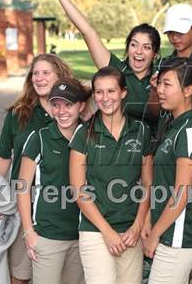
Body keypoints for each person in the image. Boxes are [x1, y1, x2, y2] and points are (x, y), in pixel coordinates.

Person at [0, 54, 75, 284]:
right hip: (23, 204)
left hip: (61, 207)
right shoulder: (18, 114)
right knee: (20, 274)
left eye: (46, 73)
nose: (39, 78)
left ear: (60, 75)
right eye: (35, 73)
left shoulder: (74, 114)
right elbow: (2, 158)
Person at [28, 0, 161, 127]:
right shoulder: (116, 69)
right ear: (128, 47)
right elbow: (87, 31)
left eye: (146, 47)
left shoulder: (160, 77)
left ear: (155, 54)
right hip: (114, 144)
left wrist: (155, 89)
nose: (138, 51)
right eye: (134, 45)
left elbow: (159, 113)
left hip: (150, 146)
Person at [69, 66, 153, 284]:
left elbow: (147, 184)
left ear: (123, 93)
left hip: (129, 230)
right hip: (96, 229)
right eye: (99, 92)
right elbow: (78, 190)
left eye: (111, 91)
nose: (105, 98)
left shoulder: (141, 131)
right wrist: (107, 232)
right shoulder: (84, 133)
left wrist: (137, 226)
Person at [142, 57, 192, 284]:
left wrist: (154, 235)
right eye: (159, 83)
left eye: (167, 84)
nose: (160, 90)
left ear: (188, 90)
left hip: (181, 237)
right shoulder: (175, 126)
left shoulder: (189, 131)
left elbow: (181, 195)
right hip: (169, 232)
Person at [17, 78, 91, 284]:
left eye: (69, 104)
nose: (62, 111)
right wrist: (28, 231)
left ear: (81, 106)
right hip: (48, 235)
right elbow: (22, 188)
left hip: (81, 235)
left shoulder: (91, 135)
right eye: (56, 105)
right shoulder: (39, 138)